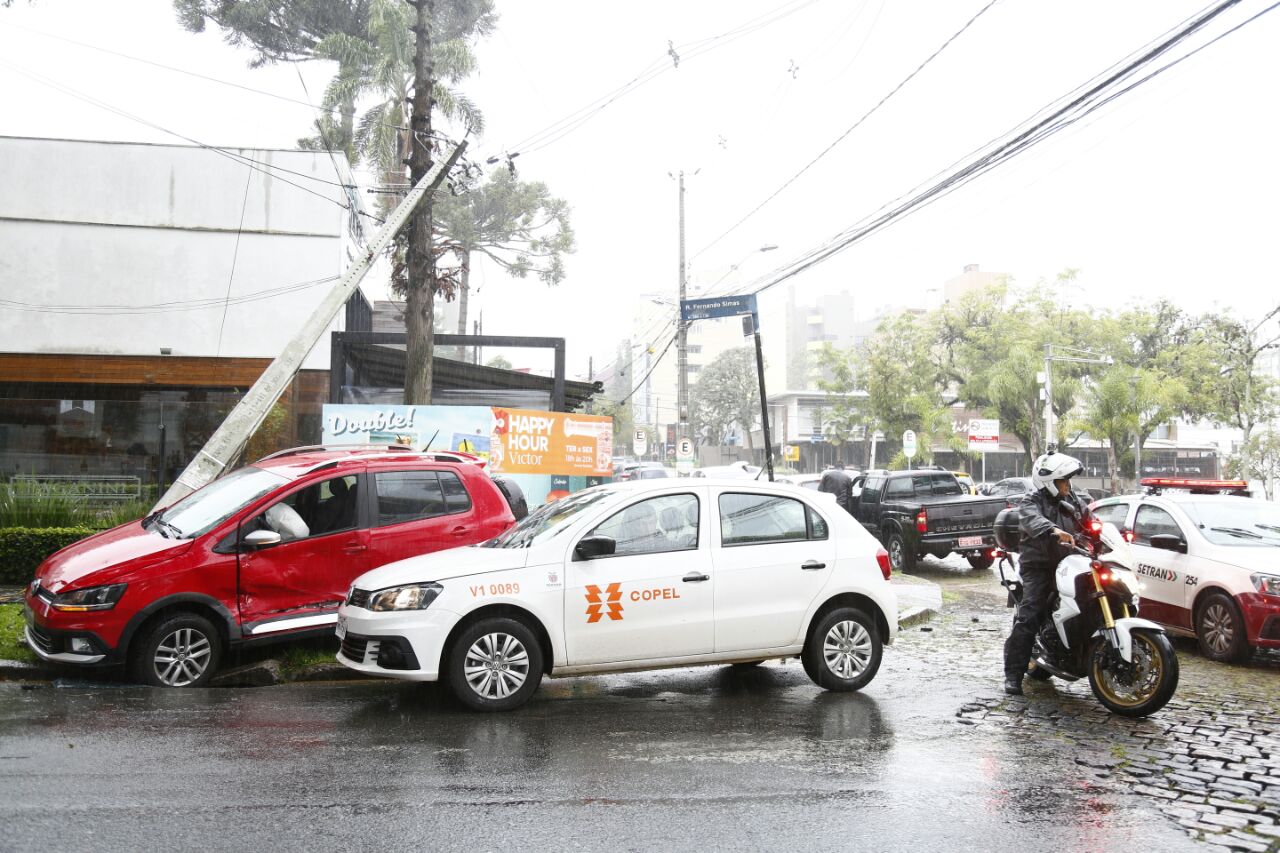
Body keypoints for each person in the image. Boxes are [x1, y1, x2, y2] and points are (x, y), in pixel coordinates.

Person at [1003, 451, 1091, 696]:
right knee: (1029, 615)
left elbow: (1090, 520)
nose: (1068, 485)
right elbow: (1032, 521)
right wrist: (1053, 530)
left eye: (1068, 480)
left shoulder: (1073, 500)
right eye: (1064, 481)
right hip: (1039, 566)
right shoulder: (1031, 501)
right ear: (1049, 482)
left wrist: (1109, 533)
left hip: (1071, 562)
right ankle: (1013, 675)